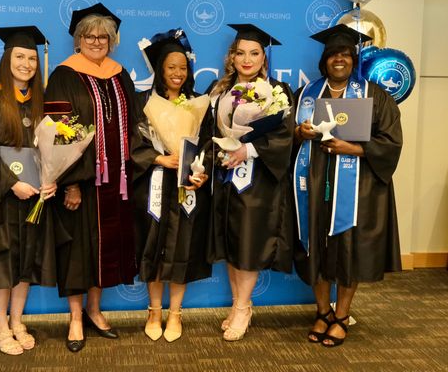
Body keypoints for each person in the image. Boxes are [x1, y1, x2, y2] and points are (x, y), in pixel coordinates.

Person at [292, 24, 402, 347]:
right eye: (332, 55)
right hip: (314, 184)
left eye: (345, 54)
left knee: (347, 250)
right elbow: (288, 136)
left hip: (356, 190)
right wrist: (299, 132)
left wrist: (353, 148)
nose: (338, 59)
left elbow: (392, 142)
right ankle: (322, 312)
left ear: (354, 59)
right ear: (324, 60)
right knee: (317, 247)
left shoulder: (373, 95)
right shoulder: (306, 95)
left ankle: (341, 316)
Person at [43, 3, 137, 352]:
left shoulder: (119, 73)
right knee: (79, 251)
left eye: (103, 36)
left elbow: (135, 124)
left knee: (106, 247)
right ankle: (75, 318)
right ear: (77, 39)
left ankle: (95, 310)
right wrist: (70, 181)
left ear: (112, 41)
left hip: (117, 181)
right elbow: (58, 133)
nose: (97, 41)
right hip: (81, 183)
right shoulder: (64, 75)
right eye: (89, 35)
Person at [0, 26, 57, 355]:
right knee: (3, 263)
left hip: (35, 195)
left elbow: (49, 151)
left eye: (32, 58)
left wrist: (51, 177)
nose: (26, 64)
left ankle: (17, 320)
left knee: (26, 261)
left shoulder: (41, 103)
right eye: (20, 57)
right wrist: (13, 184)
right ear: (7, 59)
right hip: (3, 198)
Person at [209, 24, 295, 341]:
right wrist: (219, 152)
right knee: (232, 244)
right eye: (241, 53)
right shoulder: (219, 91)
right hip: (226, 179)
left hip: (258, 181)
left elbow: (284, 136)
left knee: (248, 242)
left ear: (263, 58)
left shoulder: (277, 92)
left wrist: (247, 148)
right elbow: (209, 133)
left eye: (254, 53)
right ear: (232, 57)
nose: (247, 59)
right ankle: (237, 304)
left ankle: (244, 308)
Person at [132, 29, 212, 342]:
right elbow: (133, 142)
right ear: (160, 70)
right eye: (171, 67)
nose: (178, 73)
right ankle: (154, 310)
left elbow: (208, 144)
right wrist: (158, 158)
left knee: (183, 246)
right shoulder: (144, 102)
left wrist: (200, 170)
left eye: (183, 67)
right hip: (154, 184)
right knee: (154, 245)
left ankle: (175, 313)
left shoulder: (199, 103)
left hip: (187, 186)